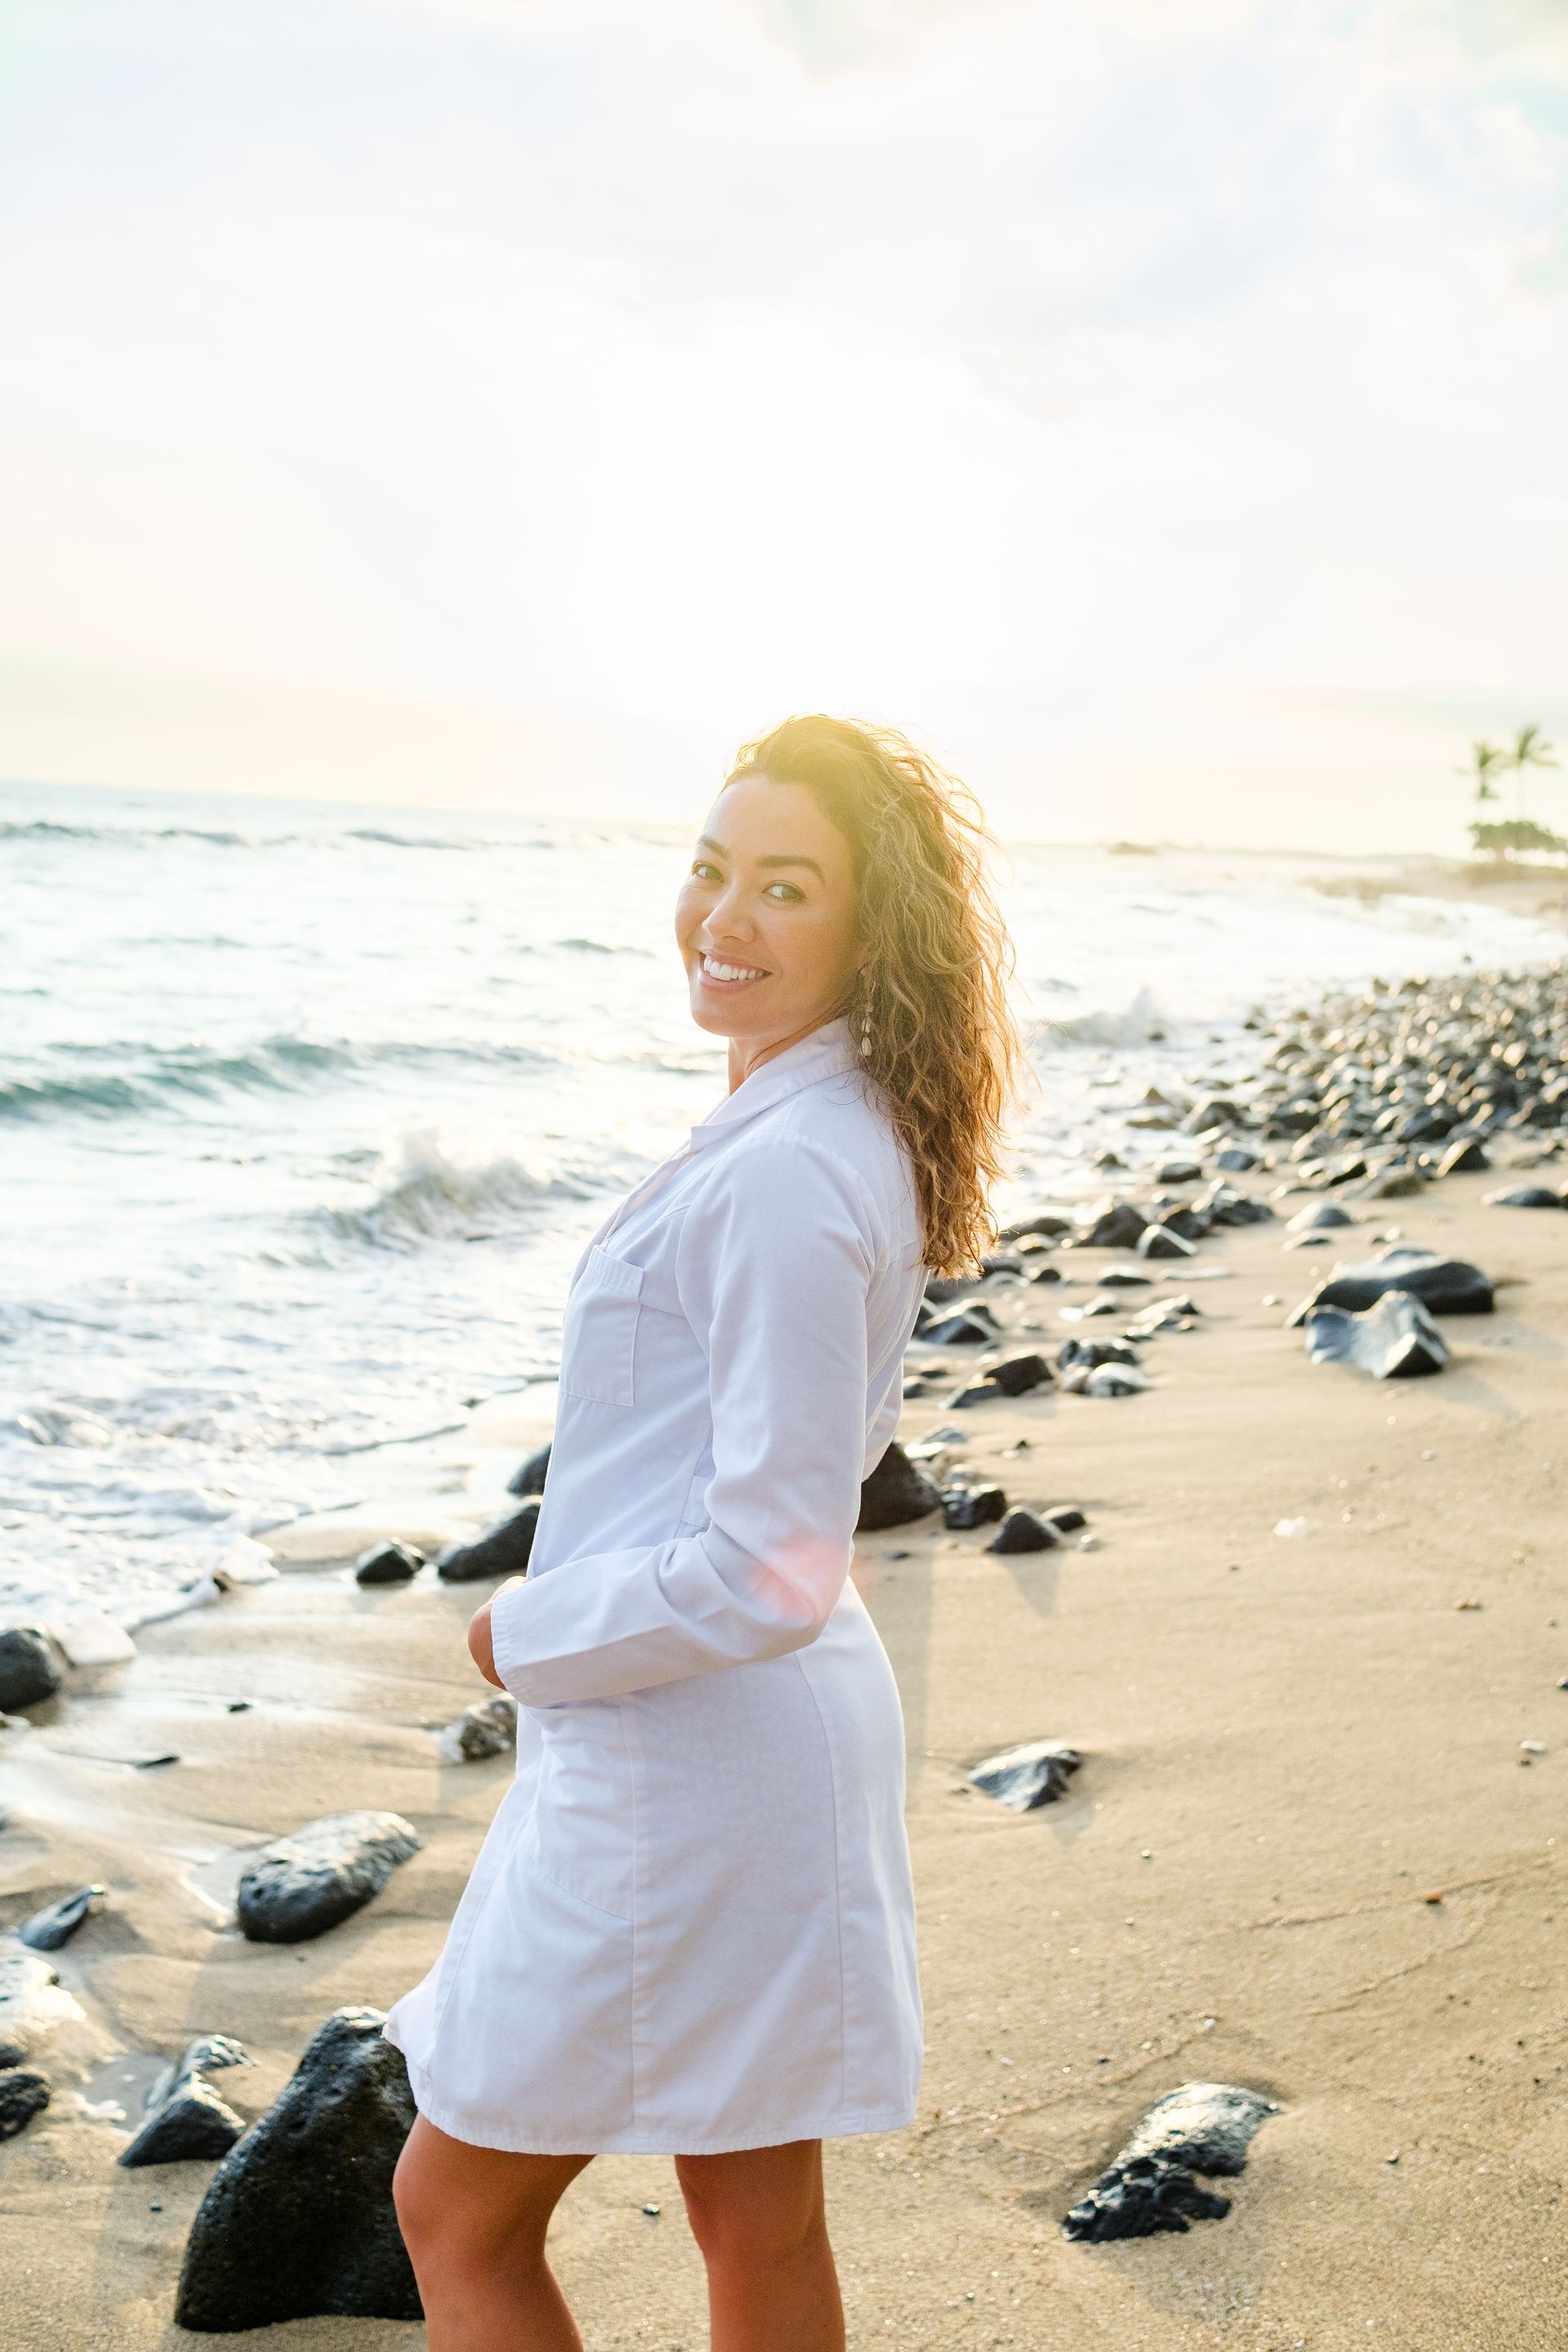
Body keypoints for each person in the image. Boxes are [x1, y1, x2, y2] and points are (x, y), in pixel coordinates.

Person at [388, 715, 1022, 2351]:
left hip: (695, 1747)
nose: (723, 919)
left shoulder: (792, 1173)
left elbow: (775, 1559)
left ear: (870, 930)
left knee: (454, 2216)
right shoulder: (822, 1126)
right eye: (710, 868)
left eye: (785, 888)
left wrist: (518, 1638)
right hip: (733, 1728)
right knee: (755, 2223)